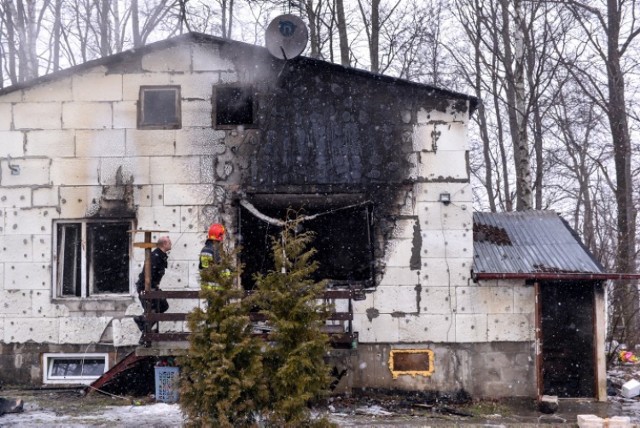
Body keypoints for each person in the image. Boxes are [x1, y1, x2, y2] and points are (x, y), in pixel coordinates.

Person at [134, 236, 172, 333]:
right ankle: (143, 325)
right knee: (153, 311)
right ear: (164, 244)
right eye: (169, 242)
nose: (171, 243)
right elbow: (148, 274)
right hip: (146, 288)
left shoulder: (160, 255)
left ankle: (143, 324)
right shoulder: (156, 256)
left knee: (161, 307)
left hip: (152, 287)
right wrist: (151, 288)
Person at [199, 223, 226, 290]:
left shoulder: (210, 249)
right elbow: (209, 269)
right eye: (222, 235)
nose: (223, 237)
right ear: (219, 235)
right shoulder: (210, 250)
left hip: (214, 287)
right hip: (214, 288)